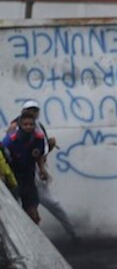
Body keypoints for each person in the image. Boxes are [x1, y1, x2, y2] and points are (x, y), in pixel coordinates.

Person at [10, 101, 80, 241]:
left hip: (33, 172)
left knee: (51, 204)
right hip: (21, 173)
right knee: (21, 207)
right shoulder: (15, 128)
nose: (33, 113)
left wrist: (46, 156)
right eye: (30, 110)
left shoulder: (38, 127)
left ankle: (72, 232)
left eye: (35, 110)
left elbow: (40, 152)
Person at [2, 112, 48, 224]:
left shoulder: (38, 139)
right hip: (13, 178)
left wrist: (42, 169)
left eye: (31, 124)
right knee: (13, 212)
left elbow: (39, 156)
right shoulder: (10, 140)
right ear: (20, 126)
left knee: (33, 213)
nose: (28, 127)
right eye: (25, 124)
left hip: (28, 178)